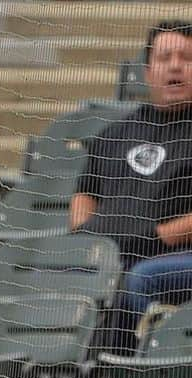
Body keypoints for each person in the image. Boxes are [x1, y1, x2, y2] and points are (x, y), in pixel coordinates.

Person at [71, 22, 192, 355]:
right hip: (113, 252)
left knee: (139, 277)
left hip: (174, 256)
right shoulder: (113, 135)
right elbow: (85, 192)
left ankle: (112, 374)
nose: (176, 66)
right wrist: (84, 235)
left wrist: (155, 237)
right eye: (165, 57)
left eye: (187, 58)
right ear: (148, 70)